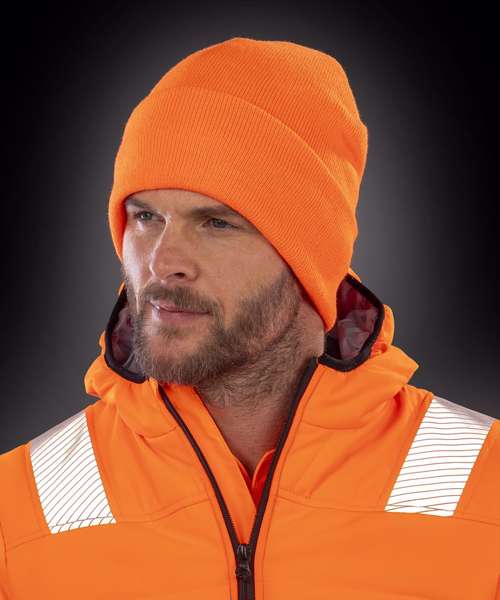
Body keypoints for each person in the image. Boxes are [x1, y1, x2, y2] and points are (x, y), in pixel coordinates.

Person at [0, 36, 498, 600]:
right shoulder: (19, 509)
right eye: (145, 217)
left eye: (217, 223)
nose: (162, 262)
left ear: (310, 260)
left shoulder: (487, 486)